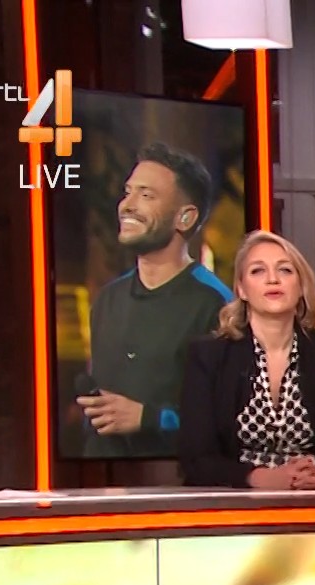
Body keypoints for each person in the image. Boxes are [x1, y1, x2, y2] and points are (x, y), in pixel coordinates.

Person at [178, 230, 315, 489]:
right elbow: (196, 459)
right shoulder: (209, 355)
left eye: (285, 270)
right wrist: (262, 478)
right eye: (258, 271)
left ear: (300, 286)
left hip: (313, 500)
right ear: (242, 289)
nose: (273, 279)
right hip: (233, 501)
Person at [81, 143, 232, 458]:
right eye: (128, 192)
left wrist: (149, 418)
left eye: (146, 195)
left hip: (175, 480)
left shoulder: (216, 305)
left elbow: (230, 417)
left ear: (185, 218)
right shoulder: (108, 299)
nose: (127, 205)